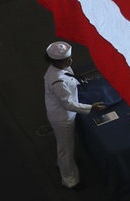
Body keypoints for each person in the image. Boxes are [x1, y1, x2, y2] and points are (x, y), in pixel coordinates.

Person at [44, 41, 107, 190]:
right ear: (58, 61)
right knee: (66, 149)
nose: (71, 61)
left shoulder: (57, 69)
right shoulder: (57, 81)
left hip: (61, 113)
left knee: (64, 146)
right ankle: (70, 180)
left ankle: (64, 164)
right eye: (67, 59)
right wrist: (91, 107)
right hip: (63, 117)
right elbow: (68, 104)